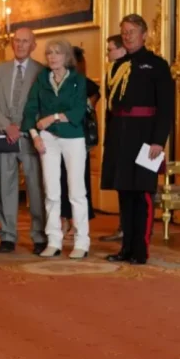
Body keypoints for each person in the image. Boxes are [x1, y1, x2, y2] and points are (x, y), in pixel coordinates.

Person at [102, 14, 174, 265]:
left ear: (144, 35)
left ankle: (140, 251)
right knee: (125, 194)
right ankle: (126, 248)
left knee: (142, 194)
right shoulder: (116, 66)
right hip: (121, 138)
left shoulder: (157, 65)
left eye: (132, 31)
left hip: (146, 140)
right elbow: (111, 107)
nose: (127, 35)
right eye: (124, 31)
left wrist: (158, 141)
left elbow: (166, 108)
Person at [21, 39, 89, 259]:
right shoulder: (42, 79)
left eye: (57, 53)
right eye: (49, 53)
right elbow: (31, 109)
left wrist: (53, 117)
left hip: (73, 137)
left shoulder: (78, 80)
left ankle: (81, 242)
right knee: (51, 191)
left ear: (66, 57)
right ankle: (54, 240)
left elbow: (79, 111)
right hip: (46, 139)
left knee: (76, 192)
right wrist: (34, 136)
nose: (52, 57)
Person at [0, 27, 47, 254]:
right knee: (6, 187)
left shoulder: (42, 71)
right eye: (17, 41)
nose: (20, 45)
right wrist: (6, 126)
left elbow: (45, 104)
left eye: (25, 41)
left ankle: (39, 235)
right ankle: (8, 235)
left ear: (33, 45)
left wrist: (26, 125)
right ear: (12, 44)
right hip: (3, 136)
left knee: (36, 188)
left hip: (31, 137)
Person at [59, 46, 99, 234]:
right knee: (61, 181)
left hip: (78, 137)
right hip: (58, 136)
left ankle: (78, 221)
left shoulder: (82, 81)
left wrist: (89, 104)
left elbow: (95, 92)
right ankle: (64, 219)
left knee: (78, 181)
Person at [99, 34, 127, 242]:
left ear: (122, 50)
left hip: (129, 132)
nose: (107, 53)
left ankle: (128, 227)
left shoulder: (129, 68)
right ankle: (122, 225)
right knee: (119, 182)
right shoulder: (111, 70)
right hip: (115, 131)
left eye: (110, 49)